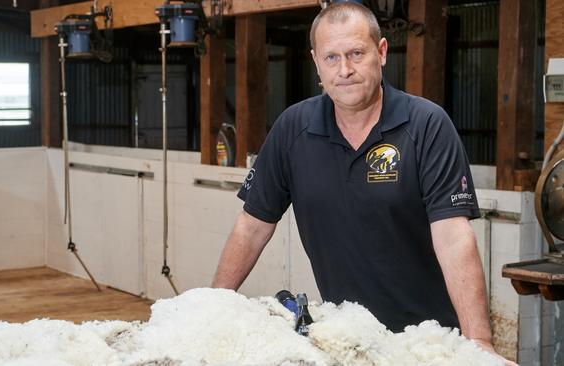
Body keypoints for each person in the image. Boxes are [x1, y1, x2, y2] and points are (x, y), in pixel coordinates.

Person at [211, 2, 517, 365]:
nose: (345, 70)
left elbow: (453, 236)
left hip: (428, 341)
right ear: (316, 63)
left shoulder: (426, 126)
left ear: (382, 52)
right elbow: (252, 226)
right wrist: (210, 307)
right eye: (332, 58)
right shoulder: (293, 129)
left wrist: (478, 340)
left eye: (356, 53)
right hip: (347, 341)